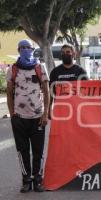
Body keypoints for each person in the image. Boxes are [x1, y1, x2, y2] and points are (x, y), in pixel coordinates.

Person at [6, 39, 50, 192]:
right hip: (20, 118)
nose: (25, 50)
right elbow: (9, 93)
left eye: (28, 48)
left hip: (37, 118)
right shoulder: (13, 69)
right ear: (18, 50)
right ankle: (26, 181)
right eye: (22, 48)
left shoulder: (40, 67)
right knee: (22, 151)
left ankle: (38, 180)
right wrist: (13, 115)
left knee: (38, 152)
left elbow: (46, 91)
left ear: (33, 50)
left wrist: (45, 114)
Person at [49, 44, 88, 117]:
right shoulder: (55, 72)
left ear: (73, 54)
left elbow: (87, 92)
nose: (65, 54)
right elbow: (50, 92)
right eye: (63, 53)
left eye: (68, 52)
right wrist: (49, 109)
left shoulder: (81, 71)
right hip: (60, 110)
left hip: (77, 111)